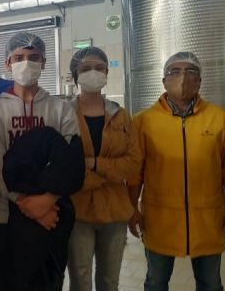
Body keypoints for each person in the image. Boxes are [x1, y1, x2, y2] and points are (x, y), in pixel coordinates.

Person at [127, 52, 225, 291]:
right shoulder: (142, 121)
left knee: (210, 284)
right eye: (174, 72)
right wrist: (131, 208)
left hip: (208, 220)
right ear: (164, 81)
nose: (182, 78)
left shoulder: (220, 119)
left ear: (200, 81)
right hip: (159, 220)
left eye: (190, 72)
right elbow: (134, 171)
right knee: (156, 282)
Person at [0, 31, 82, 290]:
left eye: (34, 57)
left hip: (52, 216)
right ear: (7, 64)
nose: (26, 62)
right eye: (19, 57)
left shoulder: (61, 110)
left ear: (44, 63)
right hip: (5, 217)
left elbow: (70, 164)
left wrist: (45, 202)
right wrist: (26, 204)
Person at [65, 47, 141, 291]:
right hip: (77, 211)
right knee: (80, 280)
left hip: (114, 212)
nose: (93, 73)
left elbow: (133, 164)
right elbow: (63, 165)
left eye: (99, 68)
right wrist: (107, 174)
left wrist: (95, 164)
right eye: (85, 68)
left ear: (107, 72)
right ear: (75, 74)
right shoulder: (63, 114)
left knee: (110, 281)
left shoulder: (121, 116)